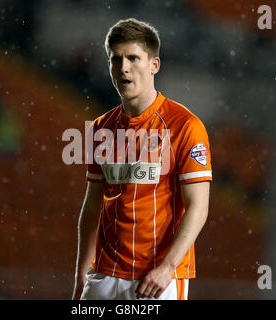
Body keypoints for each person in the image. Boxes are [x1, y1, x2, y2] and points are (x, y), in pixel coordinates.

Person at [71, 18, 212, 300]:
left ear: (154, 65)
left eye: (133, 58)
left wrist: (168, 267)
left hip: (157, 278)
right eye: (116, 59)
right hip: (103, 275)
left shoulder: (184, 126)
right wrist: (81, 274)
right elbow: (93, 205)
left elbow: (198, 206)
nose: (123, 68)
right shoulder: (101, 128)